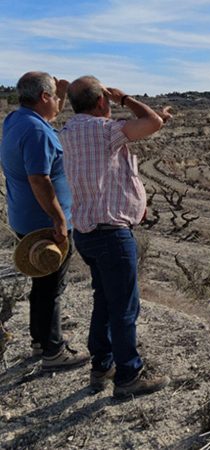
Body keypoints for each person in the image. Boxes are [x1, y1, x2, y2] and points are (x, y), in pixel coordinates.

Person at [60, 76, 172, 397]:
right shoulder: (105, 130)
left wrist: (155, 117)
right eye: (106, 98)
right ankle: (128, 377)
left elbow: (146, 126)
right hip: (112, 235)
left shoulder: (69, 132)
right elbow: (150, 123)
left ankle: (102, 366)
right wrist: (125, 98)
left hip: (86, 233)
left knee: (104, 302)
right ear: (100, 102)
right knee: (124, 307)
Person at [0, 71, 89, 370]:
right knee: (51, 285)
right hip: (44, 222)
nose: (59, 103)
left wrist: (60, 92)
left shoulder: (17, 120)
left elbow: (48, 115)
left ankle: (40, 339)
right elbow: (39, 179)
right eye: (54, 96)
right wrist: (59, 220)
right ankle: (53, 351)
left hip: (25, 217)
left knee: (41, 280)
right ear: (43, 97)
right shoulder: (38, 132)